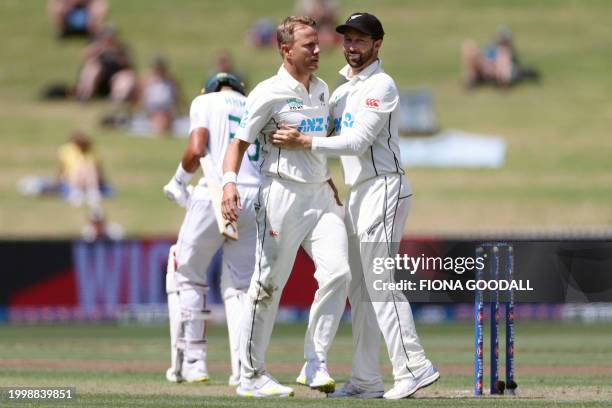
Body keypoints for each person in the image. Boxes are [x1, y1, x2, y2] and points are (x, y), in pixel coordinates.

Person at [270, 12, 439, 399]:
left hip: (385, 187)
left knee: (380, 283)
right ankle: (366, 378)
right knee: (361, 290)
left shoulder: (383, 85)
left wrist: (305, 143)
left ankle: (414, 367)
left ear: (377, 44)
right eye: (347, 39)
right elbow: (318, 126)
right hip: (357, 193)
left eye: (360, 40)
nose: (352, 47)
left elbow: (356, 142)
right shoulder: (340, 89)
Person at [221, 16, 351, 398]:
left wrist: (327, 180)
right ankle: (250, 375)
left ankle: (315, 363)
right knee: (267, 284)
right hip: (281, 195)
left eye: (317, 44)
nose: (317, 51)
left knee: (338, 273)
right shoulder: (268, 92)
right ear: (285, 50)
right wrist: (229, 184)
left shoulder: (324, 89)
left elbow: (319, 142)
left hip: (321, 196)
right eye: (308, 45)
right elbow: (238, 144)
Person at [162, 72, 260, 385]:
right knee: (242, 287)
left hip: (216, 191)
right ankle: (243, 368)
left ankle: (192, 363)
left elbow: (196, 148)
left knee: (187, 274)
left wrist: (178, 181)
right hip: (253, 197)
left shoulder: (204, 101)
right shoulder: (253, 104)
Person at [461, 26, 539, 88]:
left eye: (504, 40)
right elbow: (484, 58)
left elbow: (511, 68)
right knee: (469, 47)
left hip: (500, 74)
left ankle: (502, 83)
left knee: (503, 58)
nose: (503, 43)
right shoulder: (491, 48)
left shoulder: (508, 53)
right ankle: (471, 80)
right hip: (488, 70)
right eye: (502, 40)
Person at [75, 26, 136, 102]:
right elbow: (85, 59)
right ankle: (85, 94)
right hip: (98, 81)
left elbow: (129, 67)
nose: (109, 38)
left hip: (115, 81)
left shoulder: (121, 49)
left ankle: (118, 98)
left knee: (126, 75)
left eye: (112, 36)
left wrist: (117, 54)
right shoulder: (96, 48)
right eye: (107, 36)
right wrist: (97, 51)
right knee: (92, 67)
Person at [138, 57, 184, 134]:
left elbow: (179, 98)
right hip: (151, 112)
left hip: (166, 111)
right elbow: (140, 99)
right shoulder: (146, 80)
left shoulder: (172, 81)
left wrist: (179, 112)